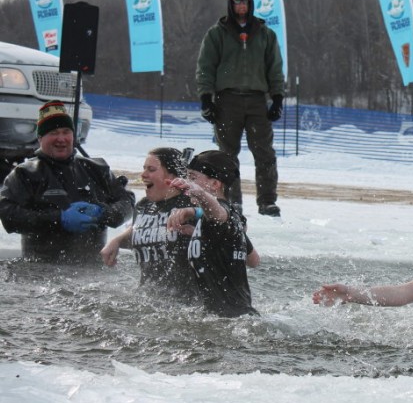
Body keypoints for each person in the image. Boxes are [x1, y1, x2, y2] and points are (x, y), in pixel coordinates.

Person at [0, 101, 134, 264]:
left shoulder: (96, 168)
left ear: (73, 135)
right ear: (41, 138)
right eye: (54, 133)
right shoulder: (24, 173)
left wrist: (103, 213)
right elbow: (7, 215)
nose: (61, 139)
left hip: (93, 269)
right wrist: (58, 219)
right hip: (40, 268)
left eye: (65, 132)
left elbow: (127, 202)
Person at [196, 0, 286, 217]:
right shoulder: (217, 33)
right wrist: (206, 98)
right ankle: (230, 202)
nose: (241, 5)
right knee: (226, 155)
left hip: (257, 100)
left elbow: (275, 68)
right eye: (237, 1)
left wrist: (277, 98)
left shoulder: (265, 34)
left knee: (264, 153)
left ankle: (267, 201)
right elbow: (205, 67)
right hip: (227, 101)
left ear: (251, 4)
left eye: (245, 0)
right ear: (231, 4)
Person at [166, 150, 260, 317]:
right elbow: (253, 260)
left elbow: (217, 213)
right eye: (188, 178)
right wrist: (204, 238)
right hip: (236, 317)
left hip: (231, 321)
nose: (189, 184)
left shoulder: (221, 213)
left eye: (193, 178)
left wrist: (200, 194)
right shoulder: (229, 219)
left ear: (216, 184)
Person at [100, 147, 198, 299]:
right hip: (148, 299)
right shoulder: (143, 206)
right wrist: (117, 240)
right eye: (144, 168)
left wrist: (197, 219)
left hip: (186, 305)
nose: (143, 175)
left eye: (151, 169)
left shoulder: (191, 206)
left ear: (172, 176)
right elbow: (144, 229)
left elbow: (230, 224)